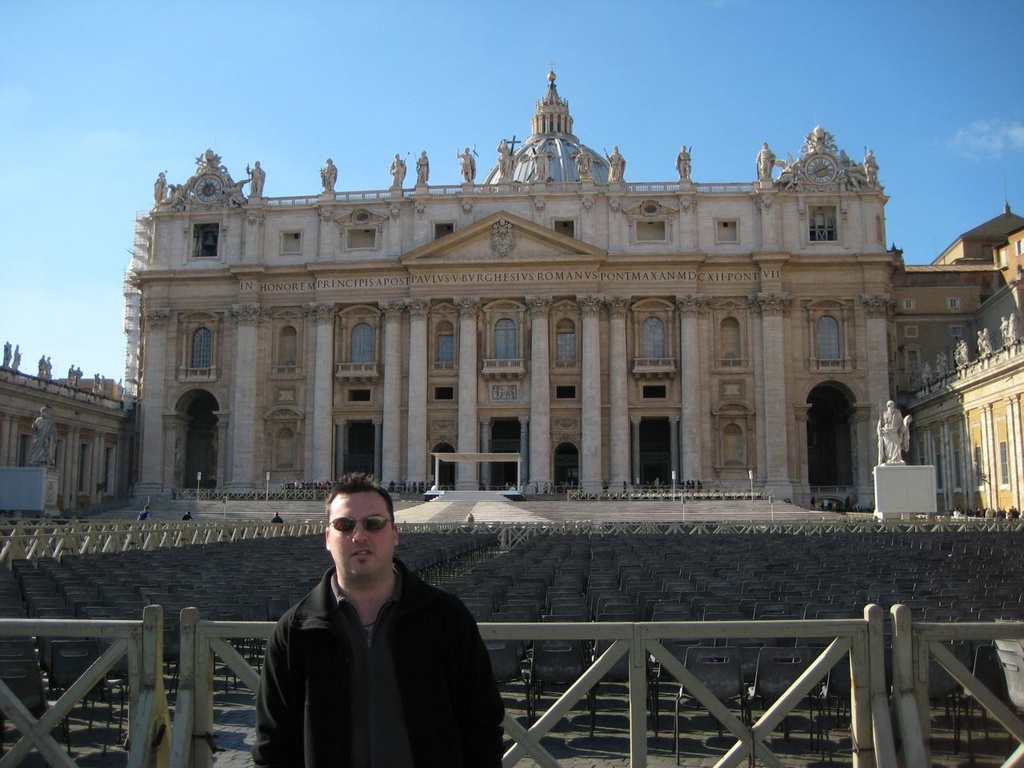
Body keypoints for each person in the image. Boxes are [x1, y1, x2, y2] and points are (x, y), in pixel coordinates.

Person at [253, 472, 503, 767]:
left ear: (395, 533)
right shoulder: (293, 631)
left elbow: (482, 726)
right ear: (327, 538)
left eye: (373, 523)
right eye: (344, 525)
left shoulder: (447, 617)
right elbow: (273, 746)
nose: (359, 535)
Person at [876, 400, 910, 465]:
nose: (892, 407)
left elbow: (901, 422)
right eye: (890, 405)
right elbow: (880, 424)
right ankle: (889, 459)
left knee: (897, 446)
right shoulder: (884, 414)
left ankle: (896, 459)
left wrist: (906, 421)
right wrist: (879, 430)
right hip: (886, 433)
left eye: (893, 405)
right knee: (888, 448)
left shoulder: (897, 413)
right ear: (887, 406)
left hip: (894, 432)